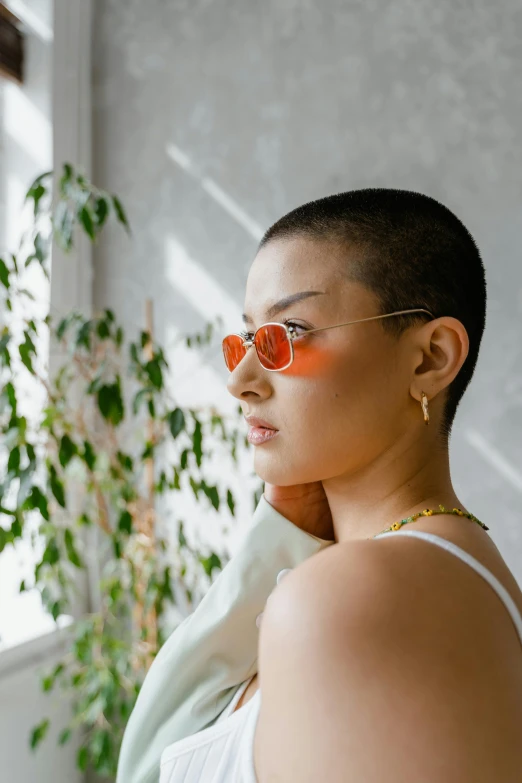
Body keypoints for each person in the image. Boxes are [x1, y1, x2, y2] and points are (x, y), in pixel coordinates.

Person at [120, 188, 522, 783]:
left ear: (429, 358)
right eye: (248, 338)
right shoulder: (464, 571)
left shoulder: (348, 600)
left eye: (290, 332)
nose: (241, 380)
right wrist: (278, 539)